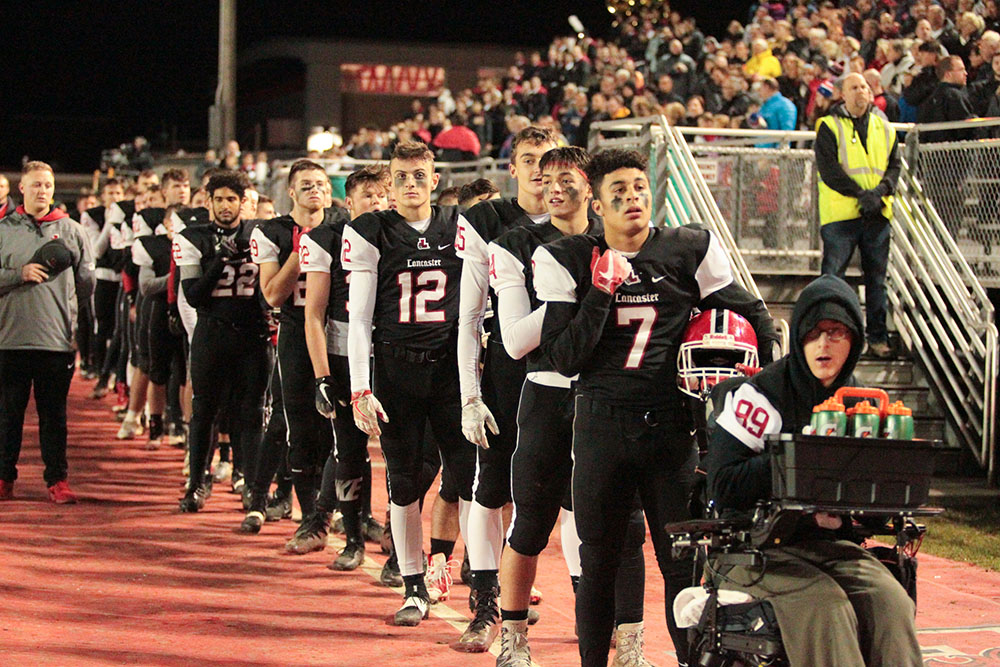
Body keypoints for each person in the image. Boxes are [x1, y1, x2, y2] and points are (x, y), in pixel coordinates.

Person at [532, 149, 779, 666]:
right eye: (617, 192)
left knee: (682, 566)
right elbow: (562, 357)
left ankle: (693, 661)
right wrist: (600, 292)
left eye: (639, 188)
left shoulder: (687, 248)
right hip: (600, 424)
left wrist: (770, 369)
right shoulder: (567, 256)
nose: (631, 199)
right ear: (596, 205)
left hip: (670, 429)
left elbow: (751, 313)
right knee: (598, 562)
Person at [705, 274, 922, 667]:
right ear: (800, 338)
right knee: (828, 607)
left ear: (854, 341)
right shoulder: (760, 397)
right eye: (814, 333)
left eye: (836, 333)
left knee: (890, 601)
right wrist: (794, 459)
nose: (824, 344)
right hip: (753, 547)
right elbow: (721, 485)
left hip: (828, 545)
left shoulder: (859, 402)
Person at [489, 147, 651, 666]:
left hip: (608, 399)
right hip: (548, 392)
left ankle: (628, 647)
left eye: (566, 178)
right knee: (531, 522)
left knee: (622, 528)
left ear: (593, 191)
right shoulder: (517, 245)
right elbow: (514, 340)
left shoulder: (625, 242)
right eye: (545, 177)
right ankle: (511, 639)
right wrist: (570, 298)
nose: (553, 186)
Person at [342, 141, 476, 626]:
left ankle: (471, 576)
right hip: (398, 370)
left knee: (468, 478)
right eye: (401, 177)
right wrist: (361, 386)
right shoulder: (371, 230)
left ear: (434, 179)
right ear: (390, 185)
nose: (411, 184)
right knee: (402, 483)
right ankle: (413, 586)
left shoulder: (460, 224)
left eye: (420, 175)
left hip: (449, 368)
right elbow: (358, 319)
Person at [452, 126, 558, 650]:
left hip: (566, 369)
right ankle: (485, 599)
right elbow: (469, 314)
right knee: (489, 487)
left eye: (550, 159)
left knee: (578, 496)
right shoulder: (486, 220)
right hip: (504, 368)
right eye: (531, 159)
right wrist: (470, 393)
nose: (541, 169)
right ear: (511, 168)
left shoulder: (580, 218)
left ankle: (605, 611)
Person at [299, 165, 390, 569]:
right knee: (349, 448)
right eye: (366, 195)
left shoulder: (403, 236)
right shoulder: (327, 240)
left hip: (392, 352)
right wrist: (322, 375)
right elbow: (314, 313)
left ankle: (394, 528)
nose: (375, 202)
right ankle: (351, 535)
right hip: (343, 352)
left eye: (380, 194)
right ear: (348, 202)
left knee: (403, 450)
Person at [173, 171, 270, 512]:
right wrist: (218, 261)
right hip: (212, 331)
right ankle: (197, 481)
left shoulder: (260, 233)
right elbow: (194, 296)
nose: (226, 206)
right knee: (204, 411)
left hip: (253, 334)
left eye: (233, 199)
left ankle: (248, 481)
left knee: (252, 412)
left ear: (244, 202)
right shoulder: (191, 237)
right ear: (208, 202)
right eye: (220, 199)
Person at [248, 160, 334, 540]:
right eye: (306, 185)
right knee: (300, 426)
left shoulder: (345, 226)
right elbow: (271, 295)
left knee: (342, 431)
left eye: (321, 184)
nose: (315, 190)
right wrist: (302, 252)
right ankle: (308, 513)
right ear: (292, 193)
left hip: (341, 330)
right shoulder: (272, 232)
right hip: (298, 330)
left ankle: (346, 511)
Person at [0, 161, 96, 503]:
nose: (43, 190)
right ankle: (3, 478)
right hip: (8, 339)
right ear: (21, 189)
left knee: (54, 416)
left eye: (48, 185)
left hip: (56, 341)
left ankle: (57, 481)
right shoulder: (2, 229)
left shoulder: (72, 230)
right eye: (36, 185)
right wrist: (18, 274)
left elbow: (86, 285)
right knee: (7, 414)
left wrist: (69, 319)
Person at [815, 72, 899, 359]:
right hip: (841, 216)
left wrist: (878, 193)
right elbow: (829, 171)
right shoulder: (828, 125)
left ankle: (877, 338)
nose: (861, 91)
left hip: (876, 214)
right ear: (843, 94)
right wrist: (862, 195)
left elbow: (895, 167)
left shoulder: (884, 126)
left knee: (877, 280)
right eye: (854, 87)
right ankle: (826, 335)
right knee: (832, 278)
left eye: (864, 86)